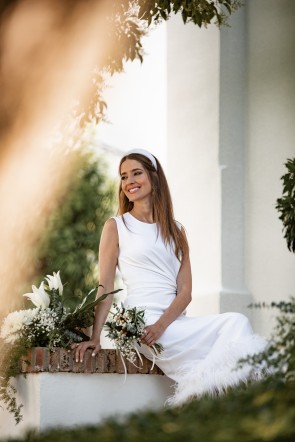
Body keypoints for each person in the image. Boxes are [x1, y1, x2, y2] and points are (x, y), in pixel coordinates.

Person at [73, 148, 267, 405]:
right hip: (140, 324)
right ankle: (237, 404)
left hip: (172, 322)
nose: (129, 181)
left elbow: (185, 292)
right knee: (219, 359)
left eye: (136, 173)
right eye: (123, 176)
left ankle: (234, 403)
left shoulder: (177, 230)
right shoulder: (116, 226)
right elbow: (105, 288)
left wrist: (162, 325)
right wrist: (95, 337)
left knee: (236, 322)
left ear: (154, 177)